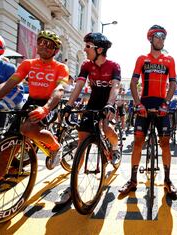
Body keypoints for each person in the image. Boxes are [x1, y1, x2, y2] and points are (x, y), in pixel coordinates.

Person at [0, 30, 69, 199]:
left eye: (49, 44)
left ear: (55, 51)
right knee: (6, 151)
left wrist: (46, 109)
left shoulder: (60, 67)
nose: (43, 46)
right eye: (41, 42)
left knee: (28, 128)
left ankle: (55, 146)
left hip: (49, 103)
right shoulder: (28, 63)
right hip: (30, 102)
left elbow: (59, 90)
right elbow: (9, 84)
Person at [55, 32, 121, 205]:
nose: (84, 49)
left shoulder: (114, 66)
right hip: (93, 101)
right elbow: (78, 85)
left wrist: (111, 104)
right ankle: (72, 186)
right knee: (81, 142)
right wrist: (69, 105)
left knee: (106, 128)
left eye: (88, 46)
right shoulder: (86, 65)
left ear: (99, 49)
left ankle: (115, 146)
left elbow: (115, 87)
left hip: (108, 100)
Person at [118, 25, 177, 197]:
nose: (161, 39)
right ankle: (133, 180)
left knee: (165, 143)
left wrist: (166, 103)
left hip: (161, 104)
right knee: (138, 142)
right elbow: (133, 83)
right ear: (150, 38)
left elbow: (173, 83)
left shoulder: (169, 60)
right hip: (144, 103)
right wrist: (137, 104)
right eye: (158, 36)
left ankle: (167, 180)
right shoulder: (142, 59)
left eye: (164, 37)